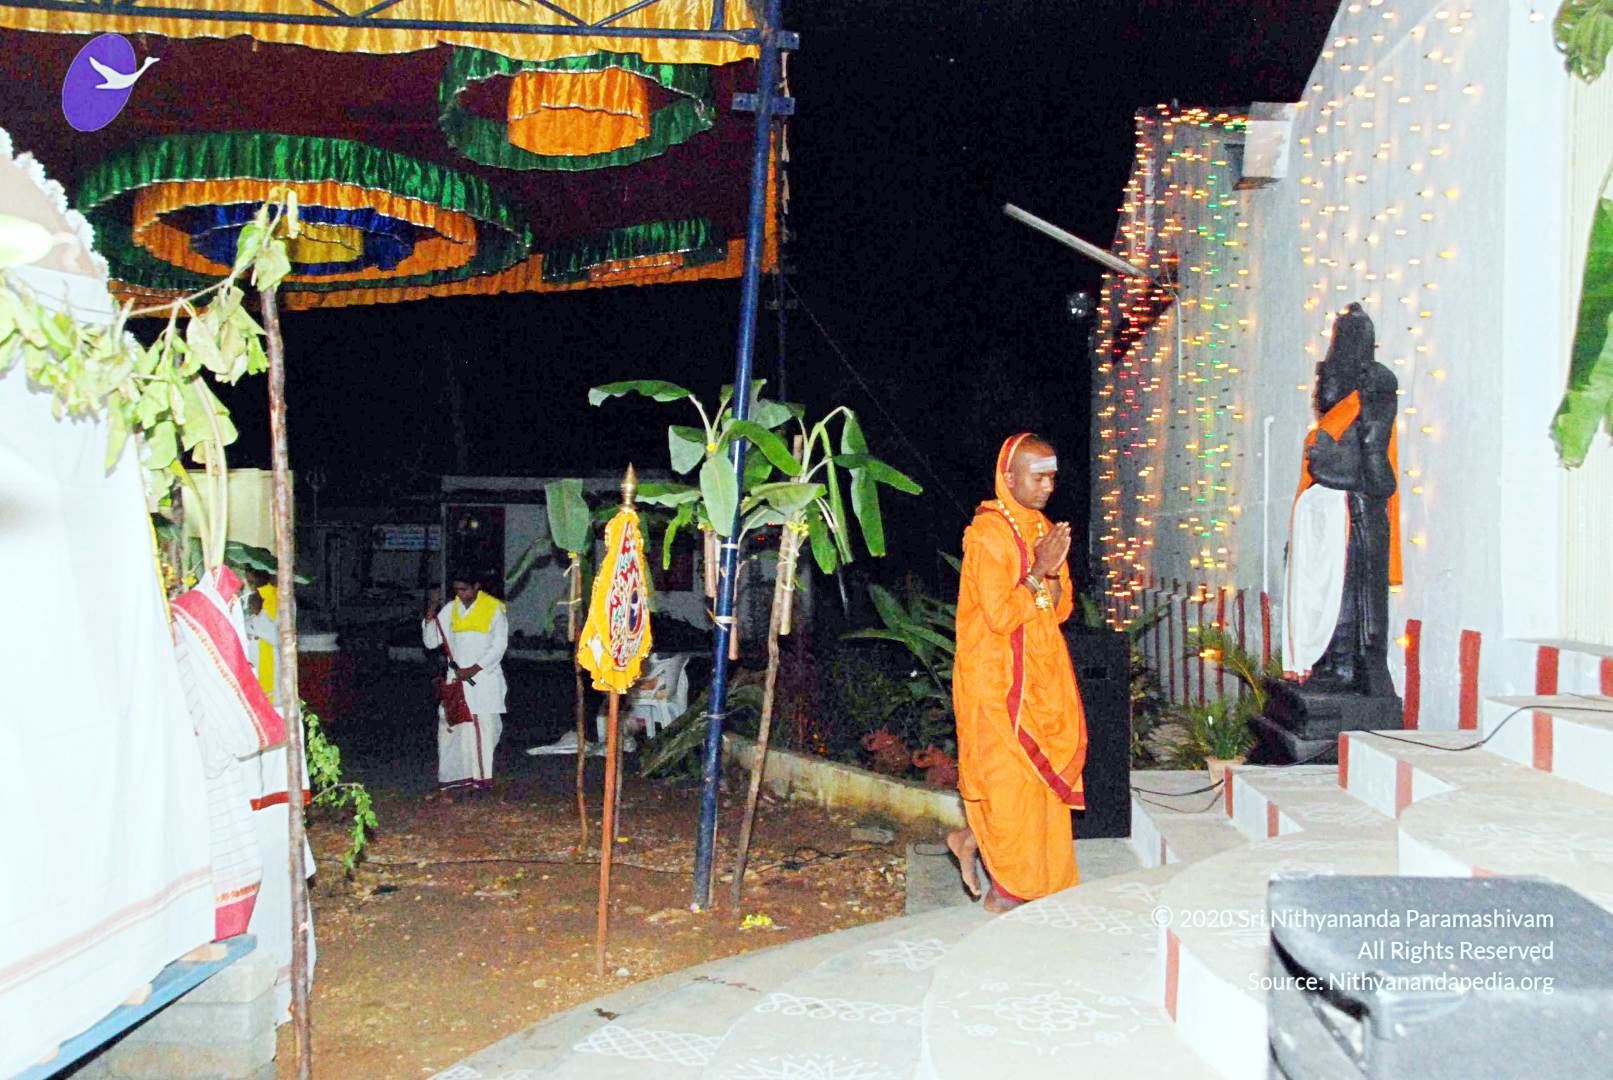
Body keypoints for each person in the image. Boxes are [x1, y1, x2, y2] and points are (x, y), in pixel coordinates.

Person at [947, 433, 1088, 913]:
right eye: (1038, 476)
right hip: (995, 682)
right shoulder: (986, 535)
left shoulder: (1042, 527)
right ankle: (1009, 890)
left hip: (1040, 678)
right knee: (1009, 788)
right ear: (1008, 477)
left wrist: (1053, 570)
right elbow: (1001, 615)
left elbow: (1060, 609)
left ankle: (974, 842)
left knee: (1038, 790)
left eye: (1052, 477)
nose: (1048, 486)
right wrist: (1038, 569)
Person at [422, 573, 508, 799]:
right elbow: (431, 641)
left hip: (484, 680)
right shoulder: (451, 609)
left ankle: (482, 781)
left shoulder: (493, 608)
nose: (460, 594)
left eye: (465, 589)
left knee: (483, 730)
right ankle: (455, 779)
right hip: (456, 681)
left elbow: (499, 645)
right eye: (457, 590)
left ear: (476, 586)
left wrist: (475, 668)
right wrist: (432, 608)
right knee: (452, 729)